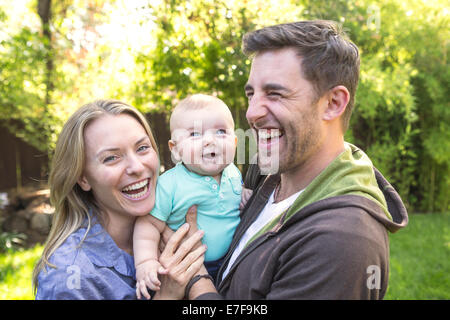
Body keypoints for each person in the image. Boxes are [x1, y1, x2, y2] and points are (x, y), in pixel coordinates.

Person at [157, 20, 409, 300]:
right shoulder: (266, 172)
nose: (252, 113)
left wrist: (194, 273)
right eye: (251, 94)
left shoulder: (341, 240)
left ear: (333, 103)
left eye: (275, 94)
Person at [32, 99, 205, 299]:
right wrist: (166, 295)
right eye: (111, 158)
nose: (137, 167)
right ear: (83, 178)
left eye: (142, 148)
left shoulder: (176, 225)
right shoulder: (70, 276)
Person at [133, 94, 252, 299]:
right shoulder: (170, 184)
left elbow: (232, 196)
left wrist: (243, 193)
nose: (210, 141)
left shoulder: (232, 172)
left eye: (221, 132)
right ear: (176, 149)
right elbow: (149, 225)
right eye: (195, 134)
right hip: (184, 271)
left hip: (232, 263)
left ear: (234, 142)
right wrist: (146, 262)